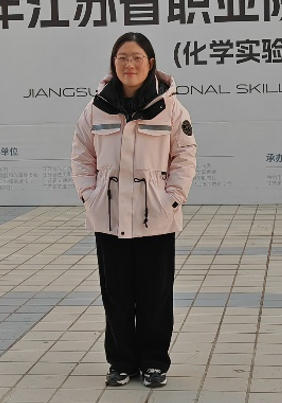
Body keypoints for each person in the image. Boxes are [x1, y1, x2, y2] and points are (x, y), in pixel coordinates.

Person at [71, 32, 196, 388]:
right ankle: (121, 362)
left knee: (156, 295)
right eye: (122, 57)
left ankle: (154, 362)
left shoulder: (170, 108)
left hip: (156, 217)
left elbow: (184, 156)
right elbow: (82, 155)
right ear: (113, 63)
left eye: (137, 57)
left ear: (150, 63)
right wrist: (90, 195)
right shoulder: (96, 108)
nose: (130, 64)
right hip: (109, 218)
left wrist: (172, 198)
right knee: (117, 295)